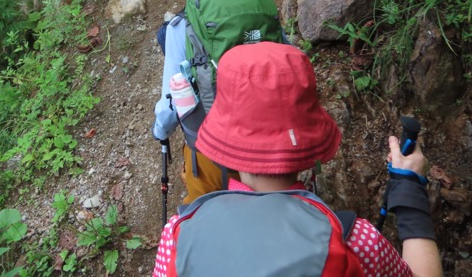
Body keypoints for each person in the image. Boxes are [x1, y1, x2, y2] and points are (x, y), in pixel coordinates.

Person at [152, 42, 443, 277]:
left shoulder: (177, 235)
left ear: (228, 145)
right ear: (309, 145)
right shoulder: (356, 241)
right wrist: (409, 190)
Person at [153, 0, 286, 204]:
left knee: (204, 219)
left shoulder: (182, 26)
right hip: (272, 140)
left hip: (214, 148)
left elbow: (172, 102)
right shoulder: (259, 7)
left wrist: (161, 131)